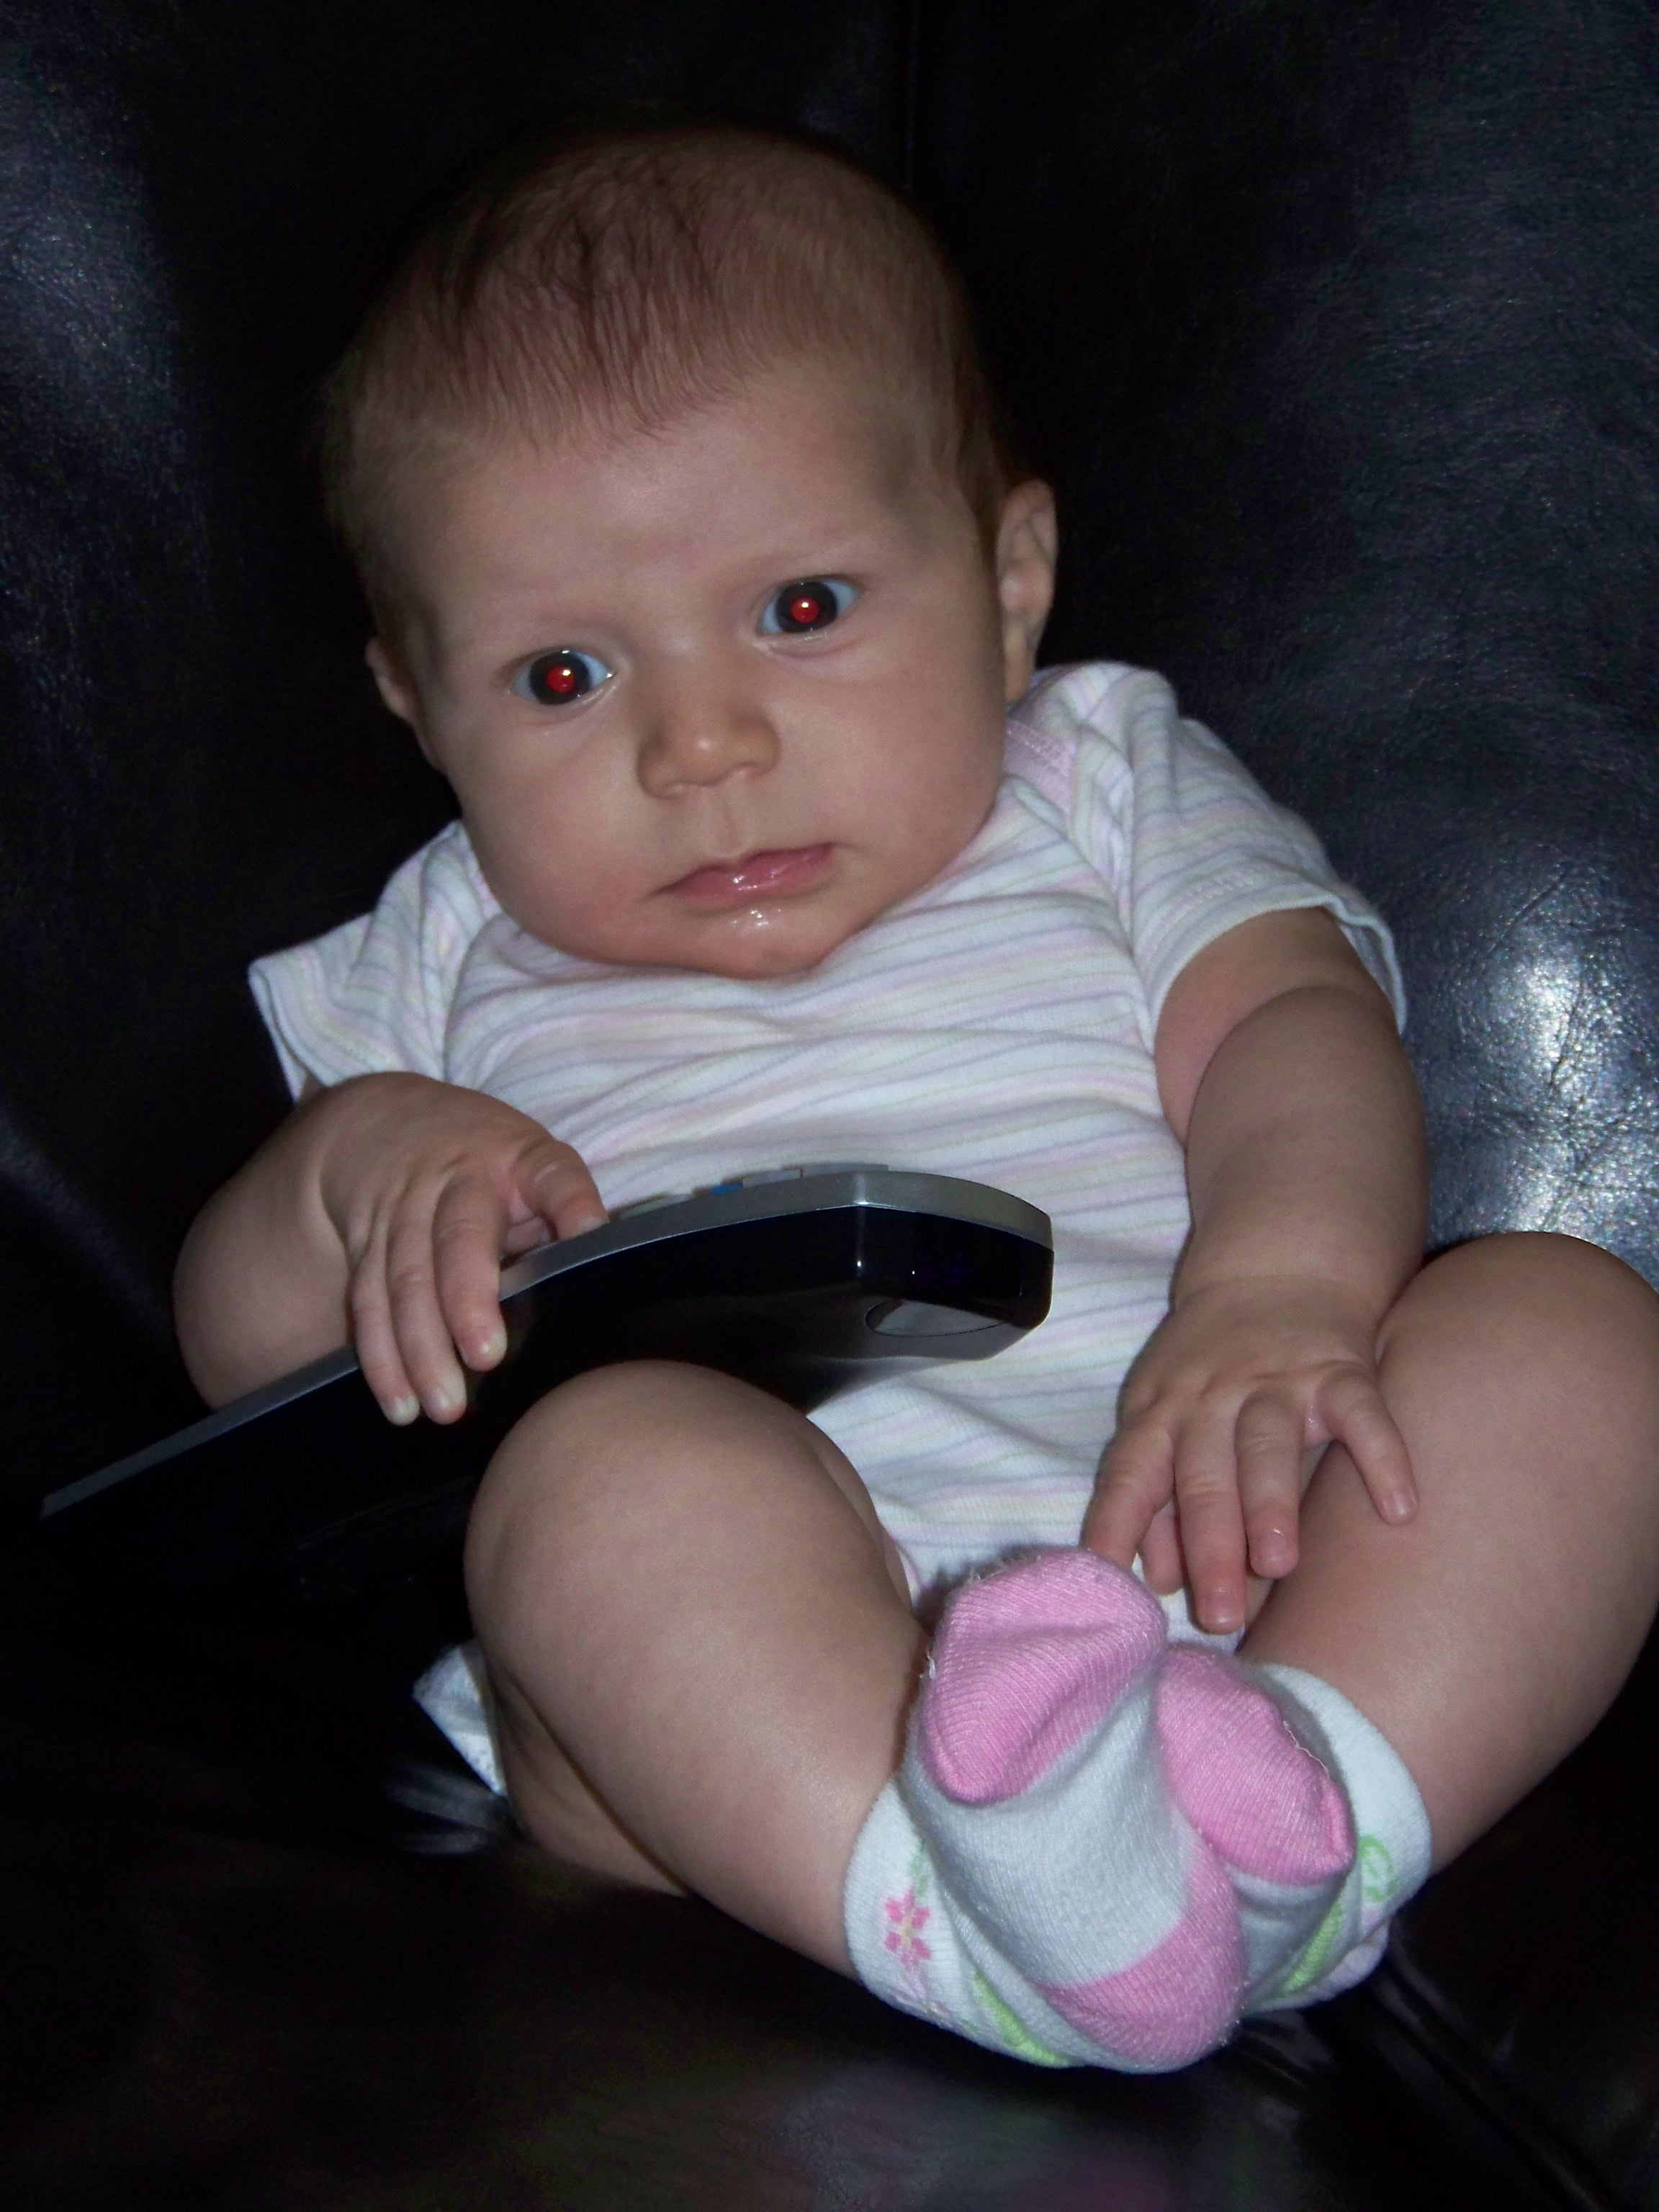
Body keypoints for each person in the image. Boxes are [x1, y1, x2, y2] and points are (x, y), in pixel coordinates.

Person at [174, 120, 1659, 2072]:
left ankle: (1300, 1805)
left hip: (1252, 1526)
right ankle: (989, 1923)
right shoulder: (435, 957)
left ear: (1009, 582)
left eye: (802, 608)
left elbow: (1286, 1027)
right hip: (764, 1715)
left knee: (1572, 1323)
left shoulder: (1100, 782)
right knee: (590, 1476)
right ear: (416, 704)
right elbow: (241, 1361)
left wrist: (1280, 1294)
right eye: (561, 678)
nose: (702, 746)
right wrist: (355, 1179)